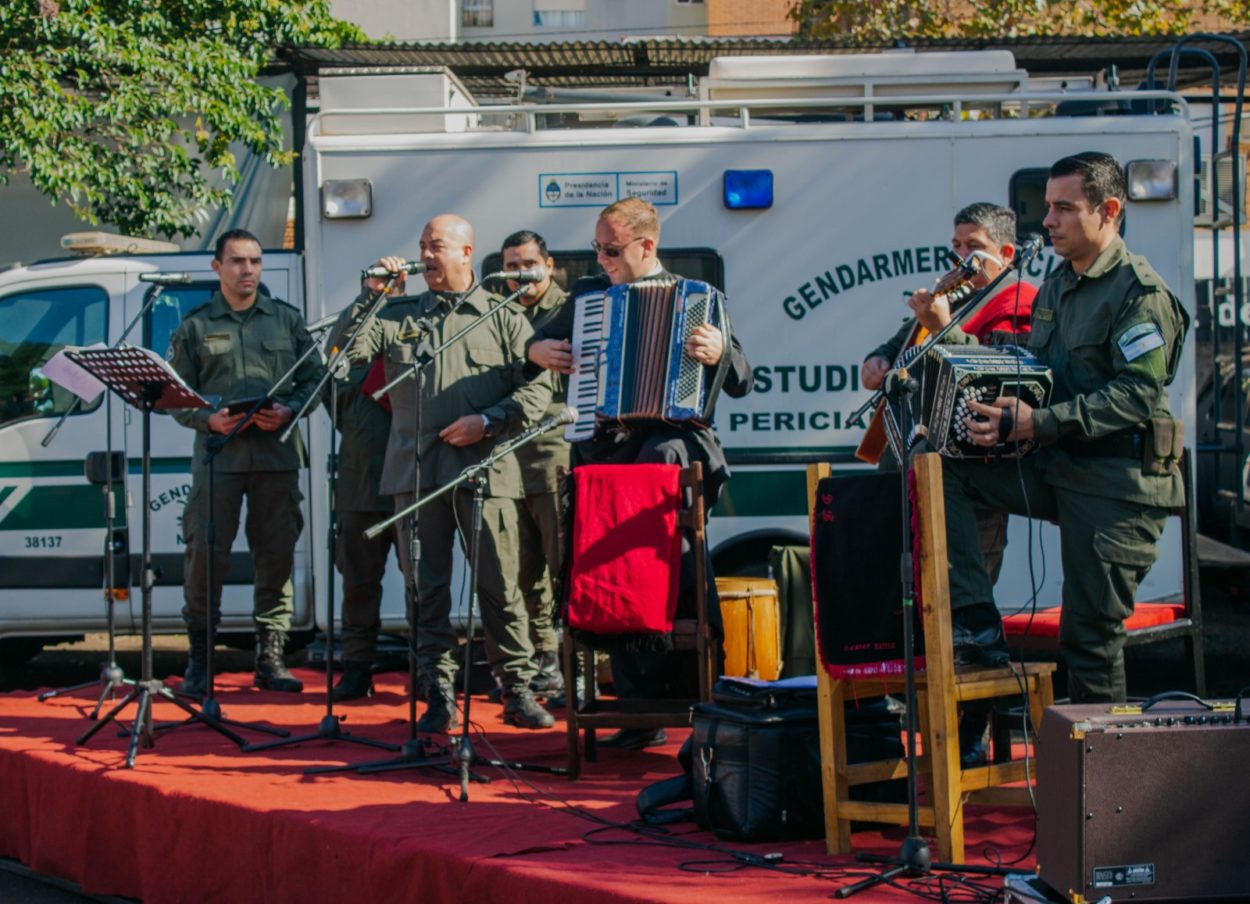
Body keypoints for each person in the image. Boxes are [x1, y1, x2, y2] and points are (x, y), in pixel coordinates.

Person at [943, 152, 1188, 704]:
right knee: (946, 469)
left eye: (1063, 208)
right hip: (1063, 466)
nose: (1047, 221)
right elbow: (1036, 369)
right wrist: (967, 361)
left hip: (1118, 484)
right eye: (1047, 208)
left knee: (1090, 639)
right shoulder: (1058, 284)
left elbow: (1138, 393)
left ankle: (1102, 785)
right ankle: (976, 627)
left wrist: (1038, 422)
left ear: (1109, 211)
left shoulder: (1138, 293)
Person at [528, 197, 753, 749]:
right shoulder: (586, 297)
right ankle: (636, 707)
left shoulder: (698, 300)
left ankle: (696, 701)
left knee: (664, 469)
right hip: (607, 446)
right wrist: (543, 352)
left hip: (669, 442)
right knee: (611, 566)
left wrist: (721, 350)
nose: (600, 259)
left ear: (645, 246)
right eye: (596, 248)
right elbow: (530, 345)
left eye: (610, 249)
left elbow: (743, 378)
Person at [346, 214, 557, 731]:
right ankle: (439, 695)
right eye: (421, 245)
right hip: (415, 476)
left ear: (466, 252)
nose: (425, 255)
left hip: (486, 470)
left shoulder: (504, 315)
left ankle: (516, 690)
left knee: (500, 586)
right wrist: (370, 297)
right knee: (426, 591)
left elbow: (539, 388)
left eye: (436, 245)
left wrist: (488, 421)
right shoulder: (396, 314)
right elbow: (345, 355)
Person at [169, 229, 324, 697]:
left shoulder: (286, 321)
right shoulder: (194, 327)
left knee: (275, 558)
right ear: (217, 268)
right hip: (219, 461)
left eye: (255, 261)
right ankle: (201, 662)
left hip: (276, 459)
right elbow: (175, 396)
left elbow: (314, 381)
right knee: (205, 561)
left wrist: (290, 411)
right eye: (237, 261)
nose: (248, 270)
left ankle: (270, 660)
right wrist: (206, 419)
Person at [861, 202, 1036, 604]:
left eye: (972, 246)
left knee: (960, 592)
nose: (960, 257)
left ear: (1006, 254)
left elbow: (1001, 369)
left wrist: (943, 328)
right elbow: (898, 343)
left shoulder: (1019, 300)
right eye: (956, 245)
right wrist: (877, 361)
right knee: (913, 588)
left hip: (973, 473)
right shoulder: (955, 297)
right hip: (917, 465)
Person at [500, 230, 568, 697]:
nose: (519, 275)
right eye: (511, 268)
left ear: (549, 262)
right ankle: (544, 662)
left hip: (555, 453)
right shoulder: (497, 314)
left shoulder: (572, 310)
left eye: (527, 264)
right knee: (525, 573)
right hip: (507, 457)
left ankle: (574, 663)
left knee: (566, 565)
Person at [323, 310, 396, 702]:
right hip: (359, 486)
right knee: (357, 585)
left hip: (410, 486)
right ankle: (356, 668)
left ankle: (431, 670)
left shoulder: (412, 328)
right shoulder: (346, 354)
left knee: (425, 586)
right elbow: (330, 400)